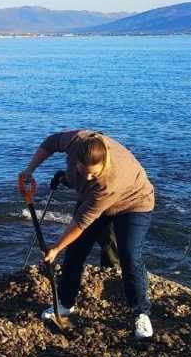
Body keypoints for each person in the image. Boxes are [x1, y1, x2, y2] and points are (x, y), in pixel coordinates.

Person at [21, 130, 155, 340]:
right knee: (75, 252)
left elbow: (81, 222)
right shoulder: (76, 141)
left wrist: (56, 247)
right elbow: (49, 143)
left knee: (129, 255)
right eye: (84, 172)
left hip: (134, 203)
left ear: (104, 165)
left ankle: (141, 314)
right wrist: (29, 170)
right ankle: (65, 304)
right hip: (93, 199)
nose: (89, 177)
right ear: (75, 158)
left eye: (94, 173)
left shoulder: (107, 184)